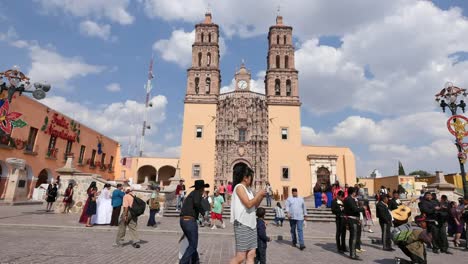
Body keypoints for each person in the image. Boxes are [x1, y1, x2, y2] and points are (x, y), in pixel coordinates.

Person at [230, 165, 265, 264]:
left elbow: (254, 205)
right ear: (245, 178)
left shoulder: (248, 189)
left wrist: (261, 197)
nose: (252, 179)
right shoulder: (239, 187)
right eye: (251, 177)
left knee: (251, 254)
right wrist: (258, 194)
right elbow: (248, 204)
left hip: (251, 224)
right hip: (242, 224)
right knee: (240, 257)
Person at [180, 180, 209, 264]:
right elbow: (197, 203)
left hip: (183, 220)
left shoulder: (192, 194)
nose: (204, 189)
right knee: (193, 245)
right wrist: (204, 214)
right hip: (189, 220)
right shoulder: (197, 193)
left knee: (192, 243)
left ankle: (195, 261)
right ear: (201, 188)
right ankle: (183, 262)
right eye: (203, 187)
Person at [344, 186, 365, 260]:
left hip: (354, 219)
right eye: (355, 192)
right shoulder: (349, 199)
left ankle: (353, 253)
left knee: (354, 237)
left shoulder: (351, 199)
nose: (356, 193)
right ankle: (352, 254)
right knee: (353, 237)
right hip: (352, 220)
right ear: (353, 192)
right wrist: (362, 208)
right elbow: (354, 209)